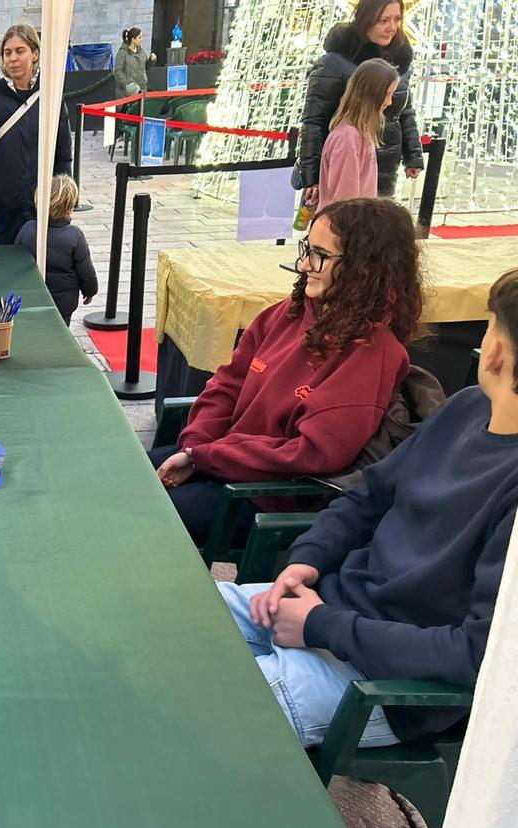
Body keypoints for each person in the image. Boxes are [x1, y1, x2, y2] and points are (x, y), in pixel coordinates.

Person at [220, 267, 518, 749]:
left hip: (383, 682)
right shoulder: (465, 407)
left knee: (187, 714)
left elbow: (476, 654)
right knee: (164, 629)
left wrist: (322, 626)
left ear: (498, 351)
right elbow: (370, 493)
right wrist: (307, 559)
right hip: (327, 609)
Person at [149, 198, 421, 544]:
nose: (305, 263)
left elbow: (312, 453)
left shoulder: (372, 352)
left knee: (139, 518)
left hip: (264, 495)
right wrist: (196, 444)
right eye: (307, 248)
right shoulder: (285, 314)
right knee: (110, 476)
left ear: (363, 268)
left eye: (320, 255)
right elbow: (225, 386)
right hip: (219, 462)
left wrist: (203, 457)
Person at [300, 0, 422, 202]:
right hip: (345, 158)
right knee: (343, 220)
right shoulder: (335, 62)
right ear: (366, 19)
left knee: (376, 225)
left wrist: (413, 154)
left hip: (385, 160)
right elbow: (314, 121)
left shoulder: (400, 58)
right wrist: (312, 177)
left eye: (397, 19)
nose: (392, 27)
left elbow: (404, 110)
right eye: (384, 20)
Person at [0, 24, 73, 245]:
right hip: (1, 211)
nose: (12, 58)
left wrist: (63, 202)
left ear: (35, 54)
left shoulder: (51, 96)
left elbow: (62, 155)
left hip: (41, 210)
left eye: (20, 51)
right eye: (7, 52)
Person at [15, 175, 98, 327]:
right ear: (70, 206)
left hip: (31, 297)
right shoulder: (74, 235)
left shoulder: (28, 229)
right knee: (61, 329)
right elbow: (85, 270)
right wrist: (90, 290)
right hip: (64, 302)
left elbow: (15, 260)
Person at [316, 58, 398, 210]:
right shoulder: (348, 139)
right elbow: (346, 203)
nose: (389, 102)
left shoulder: (361, 133)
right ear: (368, 93)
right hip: (345, 228)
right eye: (386, 94)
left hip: (357, 224)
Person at [115, 27, 156, 96]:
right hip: (127, 95)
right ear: (133, 39)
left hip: (142, 91)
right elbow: (117, 71)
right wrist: (127, 84)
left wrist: (151, 60)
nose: (141, 39)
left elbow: (146, 66)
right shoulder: (122, 53)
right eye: (139, 37)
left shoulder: (141, 52)